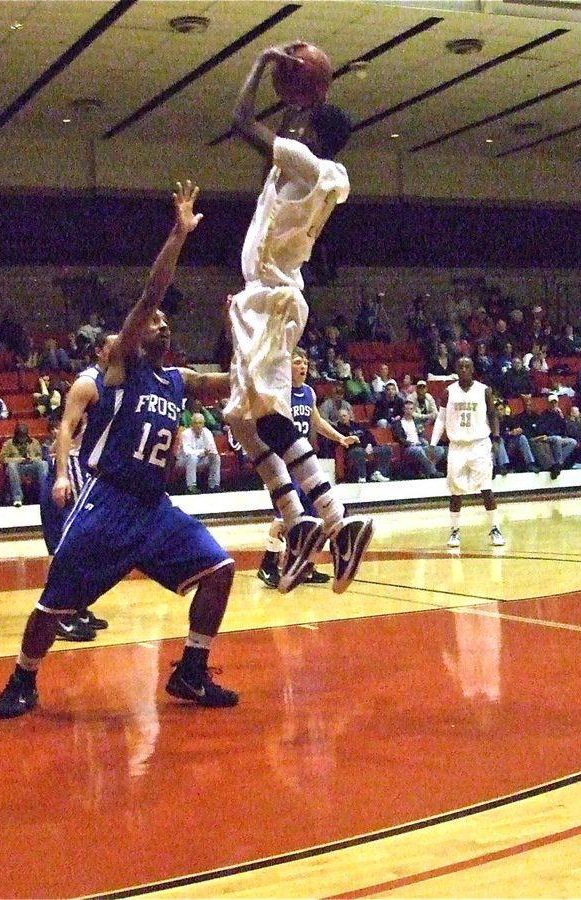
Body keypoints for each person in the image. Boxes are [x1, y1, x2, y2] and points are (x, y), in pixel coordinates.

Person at [0, 180, 240, 719]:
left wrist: (240, 331)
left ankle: (192, 671)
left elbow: (230, 382)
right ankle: (22, 677)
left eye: (166, 320)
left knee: (220, 570)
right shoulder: (120, 369)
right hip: (106, 503)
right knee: (57, 603)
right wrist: (177, 236)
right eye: (154, 319)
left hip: (154, 508)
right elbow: (151, 296)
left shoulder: (176, 379)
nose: (162, 320)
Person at [223, 43, 372, 596]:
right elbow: (278, 144)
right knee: (241, 420)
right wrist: (304, 97)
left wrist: (263, 65)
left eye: (300, 117)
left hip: (270, 298)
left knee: (262, 417)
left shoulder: (305, 164)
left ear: (309, 129)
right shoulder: (312, 171)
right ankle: (299, 520)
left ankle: (336, 520)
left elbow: (240, 121)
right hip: (267, 298)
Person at [256, 348, 358, 588]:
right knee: (284, 517)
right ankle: (268, 565)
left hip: (300, 462)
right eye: (297, 362)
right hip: (280, 461)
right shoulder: (278, 393)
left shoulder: (309, 392)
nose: (303, 366)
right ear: (286, 367)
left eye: (305, 362)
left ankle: (306, 566)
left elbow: (317, 422)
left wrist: (339, 439)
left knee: (313, 517)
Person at [40, 337, 115, 642]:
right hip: (70, 466)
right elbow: (65, 430)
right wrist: (61, 475)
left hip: (87, 468)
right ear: (99, 351)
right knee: (69, 544)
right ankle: (59, 613)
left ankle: (77, 605)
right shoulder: (89, 381)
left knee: (87, 542)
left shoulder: (116, 381)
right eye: (112, 346)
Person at [429, 357, 505, 548]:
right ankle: (454, 531)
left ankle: (495, 528)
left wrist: (496, 438)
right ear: (456, 369)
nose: (463, 369)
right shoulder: (449, 392)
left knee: (486, 488)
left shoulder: (484, 390)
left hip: (479, 444)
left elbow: (493, 415)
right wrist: (432, 444)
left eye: (467, 367)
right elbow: (441, 419)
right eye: (460, 366)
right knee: (455, 491)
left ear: (472, 370)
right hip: (457, 446)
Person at [391, 398, 443, 478]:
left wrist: (425, 441)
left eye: (411, 409)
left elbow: (422, 435)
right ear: (403, 409)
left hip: (420, 444)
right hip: (408, 447)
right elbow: (398, 437)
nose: (409, 411)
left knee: (439, 450)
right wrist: (408, 443)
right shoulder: (398, 423)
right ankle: (433, 472)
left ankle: (425, 470)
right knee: (418, 450)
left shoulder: (417, 422)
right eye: (406, 409)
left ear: (413, 410)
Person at [0, 421, 48, 507]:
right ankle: (17, 498)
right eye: (20, 437)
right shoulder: (8, 444)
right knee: (11, 466)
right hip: (17, 467)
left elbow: (40, 457)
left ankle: (45, 495)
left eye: (24, 437)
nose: (22, 439)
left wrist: (32, 459)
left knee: (43, 464)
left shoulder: (34, 442)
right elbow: (2, 459)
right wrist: (18, 460)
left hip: (31, 466)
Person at [176, 412, 221, 493]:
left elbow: (212, 448)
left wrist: (210, 452)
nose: (198, 425)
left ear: (203, 424)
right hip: (183, 460)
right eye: (195, 423)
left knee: (216, 457)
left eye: (200, 423)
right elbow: (187, 452)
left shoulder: (207, 432)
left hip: (201, 459)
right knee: (192, 457)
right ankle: (191, 486)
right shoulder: (186, 433)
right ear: (191, 424)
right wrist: (202, 452)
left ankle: (214, 485)